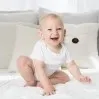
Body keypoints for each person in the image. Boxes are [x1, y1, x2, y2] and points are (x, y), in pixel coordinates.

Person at [17, 13, 91, 96]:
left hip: (49, 74)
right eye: (49, 29)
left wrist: (80, 76)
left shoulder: (64, 49)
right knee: (22, 60)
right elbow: (39, 68)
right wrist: (47, 86)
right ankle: (31, 82)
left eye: (59, 29)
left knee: (65, 77)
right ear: (41, 34)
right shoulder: (40, 45)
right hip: (34, 70)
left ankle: (41, 83)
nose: (55, 32)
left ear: (64, 32)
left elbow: (71, 65)